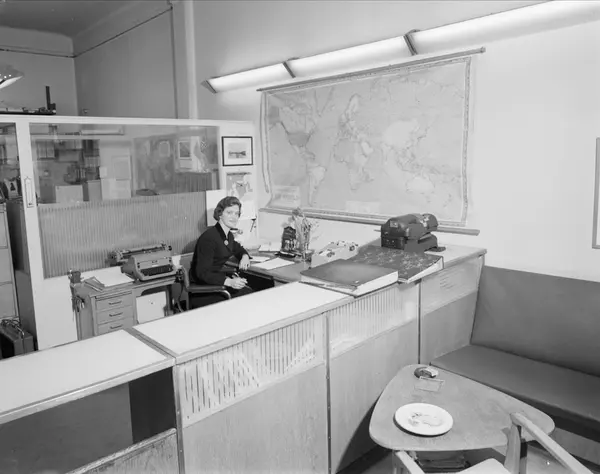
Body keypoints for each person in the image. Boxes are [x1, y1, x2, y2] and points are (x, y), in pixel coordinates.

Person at [189, 196, 253, 308]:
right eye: (229, 212)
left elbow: (238, 248)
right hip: (203, 290)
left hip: (215, 284)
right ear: (220, 214)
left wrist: (244, 256)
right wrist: (229, 282)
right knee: (248, 299)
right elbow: (202, 273)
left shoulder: (227, 235)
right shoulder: (209, 238)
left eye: (236, 213)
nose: (234, 217)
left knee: (250, 294)